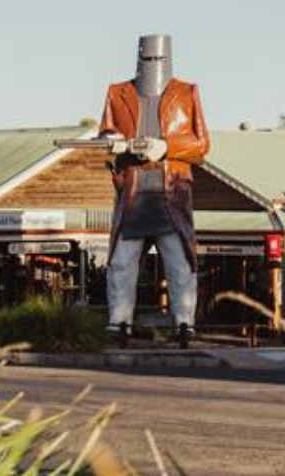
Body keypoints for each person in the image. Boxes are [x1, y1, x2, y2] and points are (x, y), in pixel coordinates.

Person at [97, 34, 210, 348]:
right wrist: (115, 141)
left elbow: (202, 145)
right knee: (121, 262)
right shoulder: (117, 93)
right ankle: (119, 323)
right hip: (133, 194)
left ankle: (184, 323)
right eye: (147, 58)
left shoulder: (188, 93)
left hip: (171, 194)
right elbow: (104, 134)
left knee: (180, 263)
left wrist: (167, 147)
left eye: (156, 59)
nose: (152, 65)